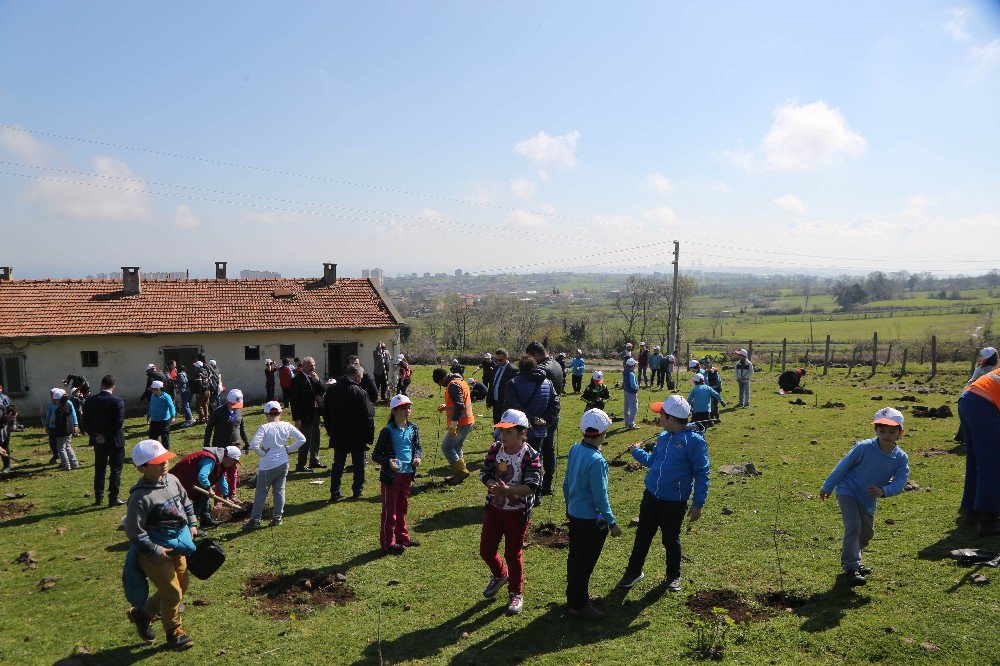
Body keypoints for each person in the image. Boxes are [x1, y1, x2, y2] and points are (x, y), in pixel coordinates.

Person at [617, 396, 709, 593]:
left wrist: (698, 503)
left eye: (661, 415)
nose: (659, 419)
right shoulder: (664, 437)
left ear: (673, 419)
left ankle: (673, 575)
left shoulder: (694, 442)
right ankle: (634, 571)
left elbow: (702, 473)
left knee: (670, 539)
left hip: (674, 502)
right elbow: (653, 461)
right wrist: (637, 452)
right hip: (651, 496)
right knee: (643, 535)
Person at [820, 408, 911, 584]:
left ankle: (856, 558)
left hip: (868, 498)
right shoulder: (863, 448)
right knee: (853, 526)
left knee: (866, 533)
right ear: (875, 430)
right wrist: (828, 486)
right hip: (848, 490)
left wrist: (884, 491)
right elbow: (843, 467)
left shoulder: (900, 458)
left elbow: (900, 481)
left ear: (900, 433)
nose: (886, 434)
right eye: (882, 430)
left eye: (892, 431)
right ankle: (851, 566)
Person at [123, 439, 197, 651]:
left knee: (181, 586)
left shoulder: (172, 479)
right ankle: (174, 633)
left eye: (165, 458)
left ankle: (142, 614)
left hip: (178, 545)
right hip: (154, 553)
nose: (164, 463)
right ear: (141, 467)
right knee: (173, 593)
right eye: (157, 461)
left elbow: (186, 502)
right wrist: (154, 549)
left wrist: (192, 523)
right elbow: (133, 530)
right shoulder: (140, 496)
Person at [479, 409, 542, 617]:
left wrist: (508, 491)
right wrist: (491, 484)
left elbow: (531, 487)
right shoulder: (496, 448)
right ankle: (500, 574)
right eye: (501, 431)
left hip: (517, 512)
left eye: (507, 432)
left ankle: (516, 593)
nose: (502, 436)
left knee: (512, 554)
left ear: (522, 433)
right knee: (486, 550)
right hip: (495, 509)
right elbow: (485, 472)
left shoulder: (531, 456)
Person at [563, 409, 621, 620]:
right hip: (590, 521)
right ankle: (579, 606)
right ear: (603, 433)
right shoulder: (598, 461)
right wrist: (612, 522)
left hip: (574, 515)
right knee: (585, 562)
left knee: (576, 558)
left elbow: (566, 483)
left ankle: (576, 596)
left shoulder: (574, 449)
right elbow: (600, 498)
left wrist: (570, 506)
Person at [371, 394, 422, 553]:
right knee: (390, 510)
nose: (407, 411)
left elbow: (417, 447)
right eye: (403, 409)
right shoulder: (387, 431)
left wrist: (417, 457)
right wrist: (389, 462)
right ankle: (388, 543)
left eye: (408, 408)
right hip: (391, 477)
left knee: (402, 507)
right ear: (394, 411)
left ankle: (402, 538)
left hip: (407, 474)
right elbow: (376, 455)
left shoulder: (413, 428)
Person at [504, 355, 559, 498]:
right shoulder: (548, 383)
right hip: (540, 430)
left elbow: (513, 406)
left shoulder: (514, 383)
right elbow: (556, 404)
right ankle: (537, 494)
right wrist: (544, 420)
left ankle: (518, 493)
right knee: (536, 462)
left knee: (518, 462)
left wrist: (532, 419)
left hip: (519, 431)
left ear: (520, 367)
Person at [246, 401, 306, 529]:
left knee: (261, 492)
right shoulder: (286, 425)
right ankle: (277, 518)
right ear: (280, 413)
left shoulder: (265, 427)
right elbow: (302, 439)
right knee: (279, 491)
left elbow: (253, 445)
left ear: (266, 414)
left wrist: (262, 453)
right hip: (283, 463)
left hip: (267, 465)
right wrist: (289, 449)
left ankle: (255, 519)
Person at [958, 366, 1000, 536]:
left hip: (968, 400)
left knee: (977, 460)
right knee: (992, 462)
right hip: (984, 405)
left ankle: (971, 510)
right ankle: (988, 521)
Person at [325, 364, 375, 501]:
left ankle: (335, 491)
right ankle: (357, 490)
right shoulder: (360, 392)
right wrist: (369, 436)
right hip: (357, 435)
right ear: (358, 376)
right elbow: (368, 417)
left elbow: (326, 414)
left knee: (338, 464)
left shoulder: (332, 391)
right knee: (359, 464)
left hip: (338, 433)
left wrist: (330, 431)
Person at [525, 341, 564, 495]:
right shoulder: (556, 364)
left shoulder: (542, 370)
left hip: (541, 416)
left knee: (537, 452)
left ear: (536, 355)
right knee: (550, 449)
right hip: (553, 414)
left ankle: (538, 487)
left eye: (530, 358)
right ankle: (547, 485)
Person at [170, 445, 242, 528]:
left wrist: (226, 496)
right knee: (200, 499)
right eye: (233, 462)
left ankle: (206, 521)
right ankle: (191, 526)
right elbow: (202, 476)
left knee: (204, 497)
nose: (233, 464)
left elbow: (221, 479)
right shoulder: (210, 459)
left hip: (193, 481)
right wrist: (209, 488)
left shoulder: (221, 463)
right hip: (181, 479)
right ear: (229, 458)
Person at [83, 375, 127, 506]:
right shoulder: (118, 401)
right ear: (114, 387)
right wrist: (107, 436)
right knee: (116, 469)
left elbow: (85, 422)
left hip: (99, 441)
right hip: (114, 440)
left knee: (100, 468)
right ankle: (113, 497)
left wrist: (96, 435)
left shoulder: (90, 401)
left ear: (101, 384)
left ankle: (98, 497)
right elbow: (119, 422)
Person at [434, 367, 475, 485]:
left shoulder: (453, 385)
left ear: (443, 378)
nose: (440, 385)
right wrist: (446, 406)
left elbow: (459, 405)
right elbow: (459, 402)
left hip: (461, 423)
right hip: (468, 421)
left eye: (439, 382)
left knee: (446, 447)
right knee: (457, 447)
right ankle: (459, 473)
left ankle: (462, 471)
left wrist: (453, 424)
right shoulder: (460, 381)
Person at [289, 356, 326, 471]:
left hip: (315, 412)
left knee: (316, 438)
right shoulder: (297, 380)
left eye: (314, 365)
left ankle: (314, 460)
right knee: (305, 439)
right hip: (304, 415)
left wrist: (318, 381)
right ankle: (301, 464)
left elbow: (322, 391)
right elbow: (294, 401)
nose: (312, 367)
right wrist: (297, 418)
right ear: (303, 366)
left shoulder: (313, 378)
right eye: (310, 365)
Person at [44, 388, 78, 466]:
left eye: (52, 395)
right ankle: (58, 457)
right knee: (54, 443)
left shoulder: (67, 405)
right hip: (54, 427)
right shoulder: (51, 405)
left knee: (62, 447)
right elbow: (48, 416)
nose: (51, 397)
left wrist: (75, 424)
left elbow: (73, 414)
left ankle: (66, 464)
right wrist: (47, 425)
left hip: (61, 429)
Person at [486, 348, 517, 426]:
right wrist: (488, 401)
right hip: (495, 403)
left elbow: (515, 390)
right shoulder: (496, 368)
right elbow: (492, 385)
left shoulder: (513, 370)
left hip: (505, 404)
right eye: (497, 360)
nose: (498, 362)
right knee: (496, 424)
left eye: (500, 360)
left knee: (505, 426)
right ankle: (497, 438)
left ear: (506, 357)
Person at [147, 380, 176, 451]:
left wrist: (173, 416)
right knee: (152, 436)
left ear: (158, 389)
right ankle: (155, 451)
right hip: (154, 420)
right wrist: (149, 415)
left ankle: (166, 451)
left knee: (164, 436)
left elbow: (171, 406)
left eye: (153, 389)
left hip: (164, 420)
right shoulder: (153, 396)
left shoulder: (166, 396)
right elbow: (151, 406)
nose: (151, 391)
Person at [623, 358, 640, 429]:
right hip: (631, 392)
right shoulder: (631, 374)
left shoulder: (625, 371)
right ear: (632, 365)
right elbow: (633, 385)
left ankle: (627, 422)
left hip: (626, 391)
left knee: (626, 407)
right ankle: (631, 424)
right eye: (635, 365)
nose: (635, 366)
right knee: (634, 408)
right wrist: (637, 388)